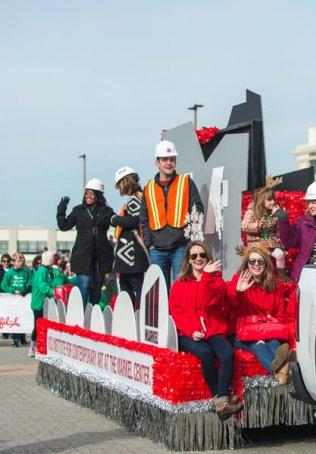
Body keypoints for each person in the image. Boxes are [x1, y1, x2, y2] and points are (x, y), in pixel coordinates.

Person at [168, 241, 242, 419]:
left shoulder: (215, 281)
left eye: (202, 255)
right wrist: (191, 330)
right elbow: (176, 313)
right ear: (188, 260)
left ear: (208, 258)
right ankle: (221, 400)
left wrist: (207, 278)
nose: (199, 259)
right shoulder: (180, 285)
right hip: (188, 333)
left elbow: (208, 302)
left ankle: (221, 400)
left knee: (227, 354)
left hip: (212, 330)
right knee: (206, 352)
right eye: (194, 256)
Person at [140, 140, 204, 291]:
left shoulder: (186, 182)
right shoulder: (148, 188)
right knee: (159, 291)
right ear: (157, 163)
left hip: (180, 247)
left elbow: (198, 208)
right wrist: (149, 243)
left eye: (172, 159)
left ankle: (177, 315)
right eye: (164, 160)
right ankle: (164, 316)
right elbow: (143, 218)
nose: (169, 163)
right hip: (156, 249)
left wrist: (189, 237)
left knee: (181, 288)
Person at [227, 246, 293, 384]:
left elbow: (280, 313)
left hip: (266, 329)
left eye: (260, 261)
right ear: (247, 264)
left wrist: (275, 325)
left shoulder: (273, 284)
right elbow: (231, 307)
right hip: (242, 333)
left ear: (266, 264)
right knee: (260, 345)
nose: (256, 264)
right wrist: (238, 291)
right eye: (252, 262)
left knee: (275, 342)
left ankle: (281, 373)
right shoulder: (238, 280)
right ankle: (284, 370)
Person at [57, 179, 115, 307]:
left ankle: (93, 314)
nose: (88, 196)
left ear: (98, 195)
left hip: (101, 255)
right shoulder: (79, 210)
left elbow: (118, 222)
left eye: (92, 193)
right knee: (84, 285)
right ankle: (82, 315)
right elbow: (64, 226)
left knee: (96, 287)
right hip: (83, 255)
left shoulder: (106, 211)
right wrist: (61, 211)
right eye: (86, 193)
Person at [111, 166, 150, 309]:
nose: (120, 189)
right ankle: (136, 315)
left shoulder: (135, 199)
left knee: (131, 289)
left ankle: (136, 317)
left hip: (131, 253)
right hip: (130, 254)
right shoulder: (140, 197)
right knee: (132, 288)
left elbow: (134, 221)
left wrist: (114, 220)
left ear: (125, 182)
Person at [241, 176, 286, 270]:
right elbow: (244, 226)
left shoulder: (275, 211)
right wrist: (258, 225)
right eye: (269, 200)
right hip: (256, 244)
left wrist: (281, 215)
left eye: (273, 199)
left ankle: (281, 274)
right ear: (262, 201)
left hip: (271, 244)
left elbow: (279, 229)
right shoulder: (252, 211)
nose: (273, 202)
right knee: (261, 259)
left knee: (280, 254)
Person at [29, 251, 63, 357]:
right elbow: (41, 284)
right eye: (53, 258)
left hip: (47, 302)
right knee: (38, 325)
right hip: (39, 303)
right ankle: (32, 346)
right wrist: (52, 292)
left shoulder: (49, 270)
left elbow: (52, 283)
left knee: (45, 325)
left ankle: (42, 346)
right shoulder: (42, 271)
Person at [2, 253, 31, 347]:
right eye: (19, 261)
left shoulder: (26, 272)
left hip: (23, 298)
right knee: (15, 318)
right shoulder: (9, 273)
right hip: (13, 300)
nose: (21, 262)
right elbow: (3, 285)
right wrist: (13, 290)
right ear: (13, 262)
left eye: (22, 260)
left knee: (23, 317)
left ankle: (22, 338)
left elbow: (30, 282)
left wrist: (26, 289)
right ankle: (15, 340)